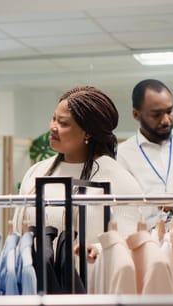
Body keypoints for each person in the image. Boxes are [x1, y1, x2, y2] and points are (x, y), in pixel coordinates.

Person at [13, 86, 143, 247]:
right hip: (35, 271)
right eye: (54, 118)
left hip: (91, 271)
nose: (53, 127)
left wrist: (95, 250)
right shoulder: (36, 172)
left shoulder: (117, 179)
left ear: (88, 133)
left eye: (63, 123)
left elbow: (129, 243)